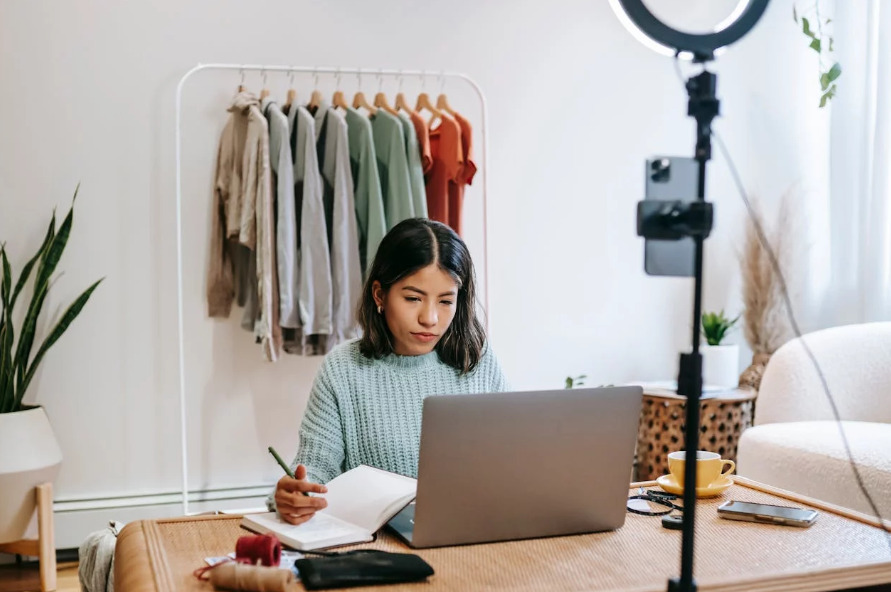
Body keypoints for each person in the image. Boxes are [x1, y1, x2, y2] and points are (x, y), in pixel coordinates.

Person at [272, 218, 507, 525]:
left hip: (475, 532)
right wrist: (294, 496)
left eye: (446, 301)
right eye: (413, 298)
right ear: (380, 295)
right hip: (381, 546)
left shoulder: (478, 359)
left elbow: (510, 461)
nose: (430, 318)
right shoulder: (342, 370)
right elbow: (313, 472)